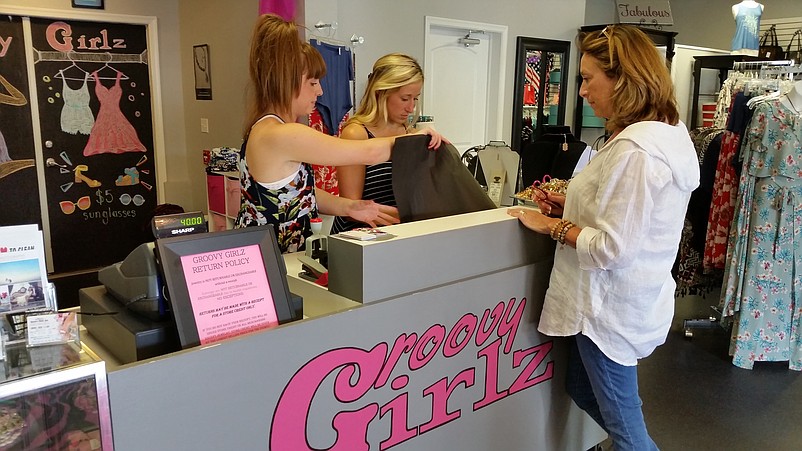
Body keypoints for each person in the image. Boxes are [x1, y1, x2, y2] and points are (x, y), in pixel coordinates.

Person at [507, 25, 700, 450]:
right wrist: (572, 209)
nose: (581, 91)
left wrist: (553, 226)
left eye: (588, 78)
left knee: (629, 432)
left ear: (623, 80)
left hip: (606, 309)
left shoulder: (635, 151)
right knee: (583, 388)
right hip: (618, 302)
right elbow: (629, 218)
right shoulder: (665, 133)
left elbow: (615, 246)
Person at [235, 15, 443, 253]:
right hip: (274, 256)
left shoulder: (262, 127)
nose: (320, 91)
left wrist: (349, 207)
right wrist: (419, 136)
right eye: (313, 83)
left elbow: (297, 192)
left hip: (270, 252)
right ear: (287, 81)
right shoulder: (284, 134)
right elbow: (370, 152)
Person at [331, 53, 423, 234]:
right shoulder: (356, 134)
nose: (411, 108)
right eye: (405, 98)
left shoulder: (410, 133)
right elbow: (352, 208)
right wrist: (405, 215)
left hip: (398, 235)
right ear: (381, 93)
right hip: (360, 238)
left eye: (416, 98)